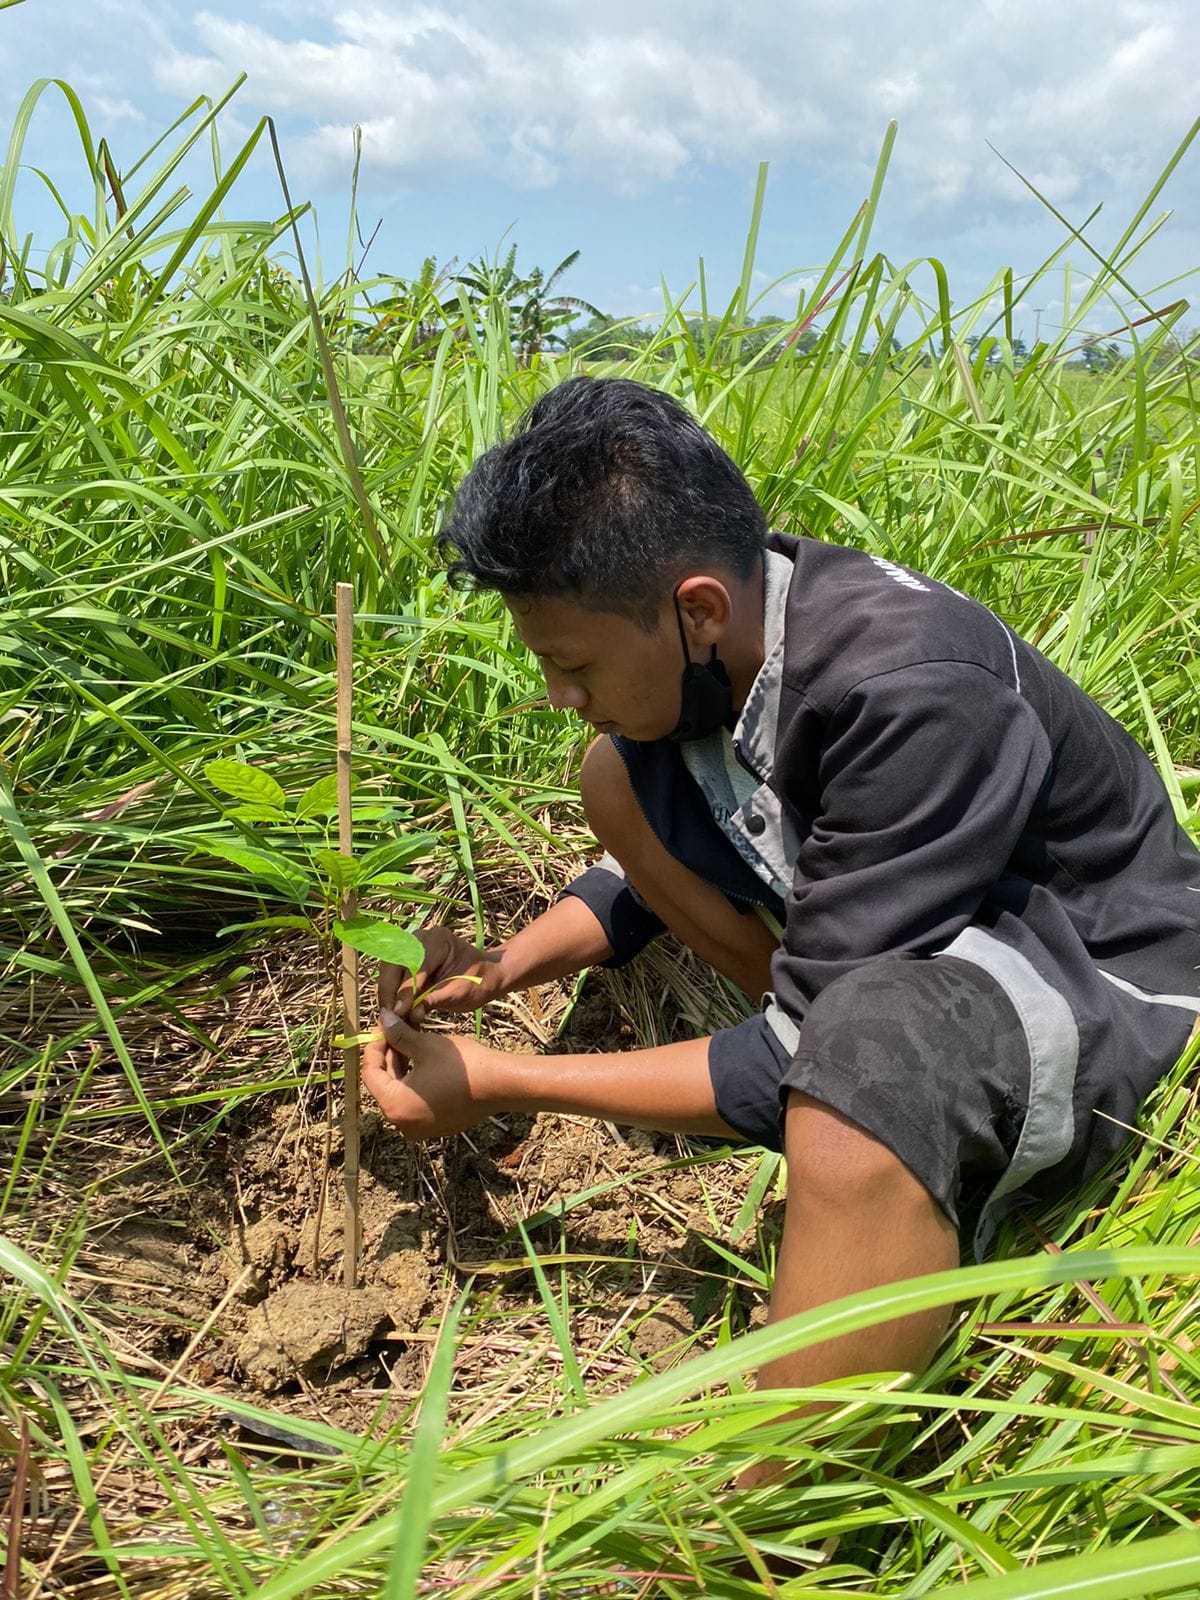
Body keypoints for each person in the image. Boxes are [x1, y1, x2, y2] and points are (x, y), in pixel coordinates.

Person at [361, 375, 1200, 1479]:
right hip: (916, 939)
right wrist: (504, 968)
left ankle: (765, 1518)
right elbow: (639, 866)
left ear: (695, 609)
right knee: (613, 777)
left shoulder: (911, 686)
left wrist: (501, 1080)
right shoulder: (731, 637)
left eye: (573, 664)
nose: (559, 692)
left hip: (1102, 976)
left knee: (856, 1073)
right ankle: (804, 1023)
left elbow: (814, 1048)